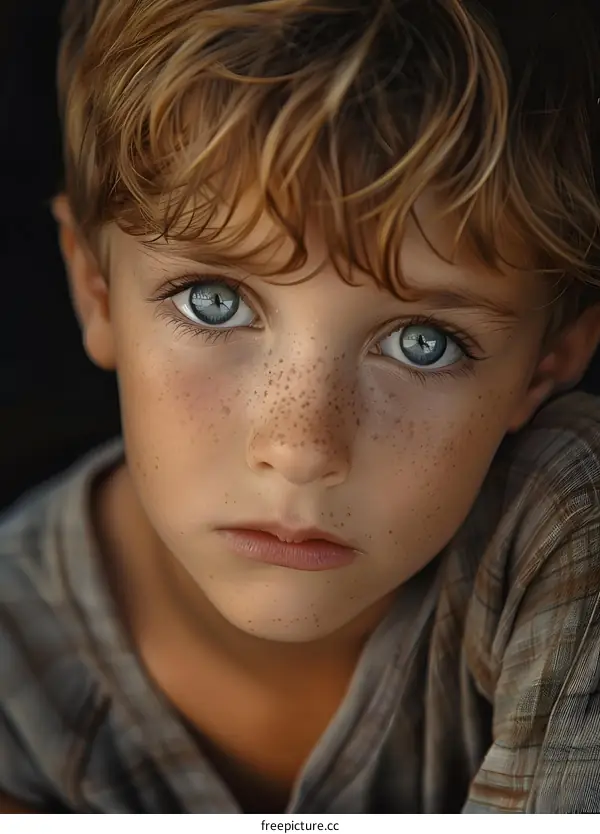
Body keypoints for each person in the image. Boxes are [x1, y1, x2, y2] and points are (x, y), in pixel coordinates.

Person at [2, 0, 600, 814]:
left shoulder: (564, 535)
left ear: (549, 360)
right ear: (97, 290)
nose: (301, 445)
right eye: (213, 302)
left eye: (423, 342)